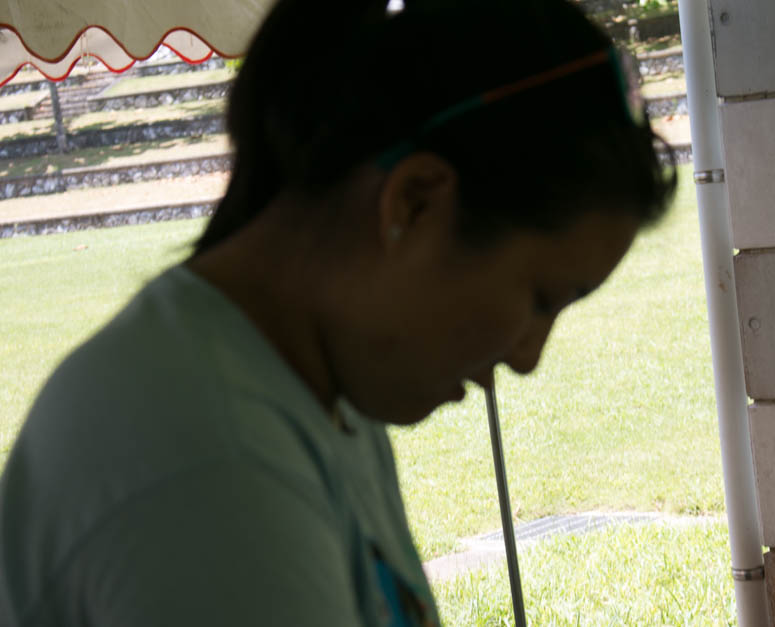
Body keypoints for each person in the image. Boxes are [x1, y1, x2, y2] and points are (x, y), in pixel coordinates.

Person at [0, 0, 675, 624]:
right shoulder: (208, 459)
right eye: (540, 298)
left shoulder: (315, 389)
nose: (527, 357)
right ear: (413, 202)